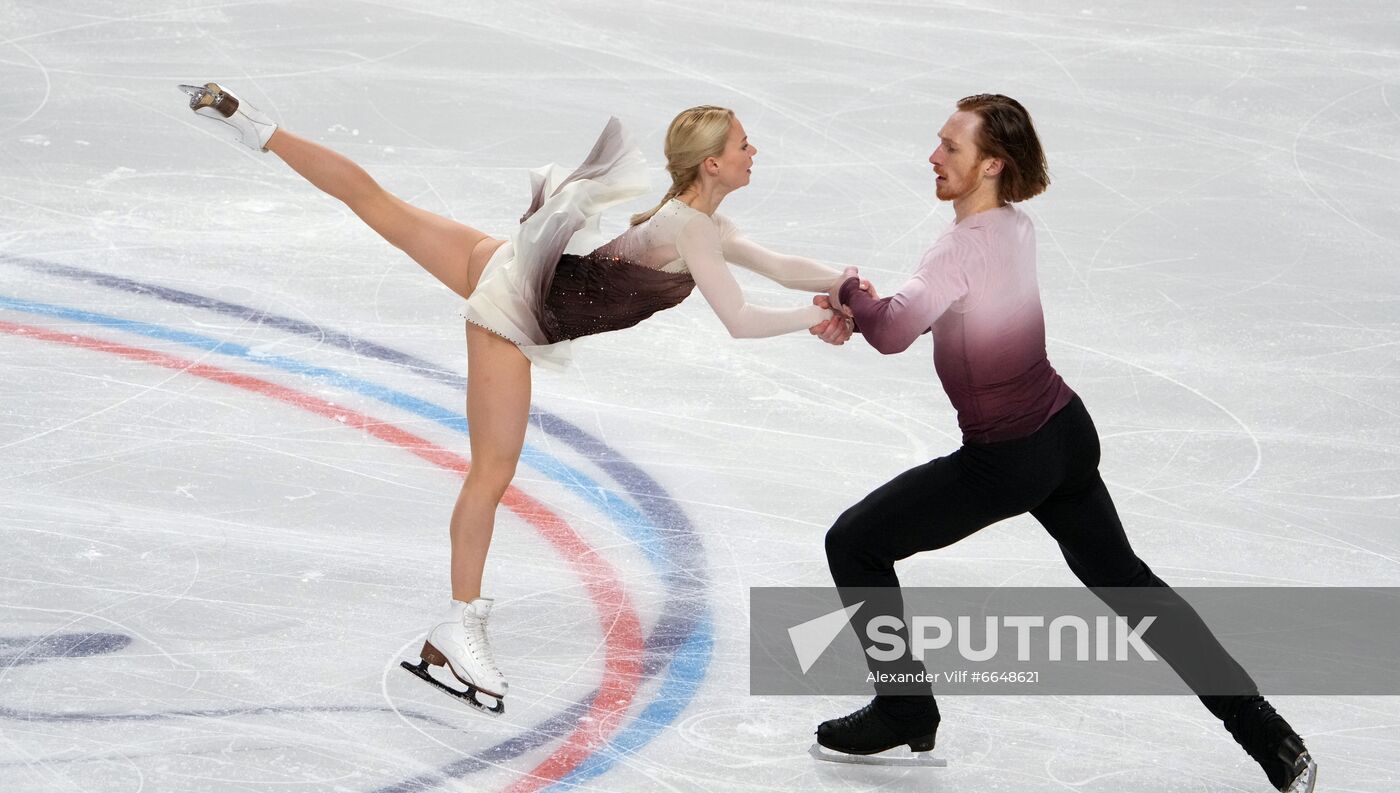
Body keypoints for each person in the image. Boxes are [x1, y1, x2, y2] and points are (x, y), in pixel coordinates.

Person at [178, 82, 857, 713]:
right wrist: (817, 315)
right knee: (491, 472)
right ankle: (458, 624)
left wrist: (853, 285)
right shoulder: (694, 231)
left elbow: (782, 266)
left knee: (378, 203)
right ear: (711, 164)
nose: (752, 152)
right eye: (742, 144)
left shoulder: (697, 222)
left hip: (510, 259)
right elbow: (738, 318)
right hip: (513, 307)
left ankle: (257, 126)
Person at [813, 94, 1317, 793]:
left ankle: (904, 704)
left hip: (1007, 459)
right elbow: (948, 311)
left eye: (951, 148)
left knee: (854, 543)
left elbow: (897, 331)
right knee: (1132, 586)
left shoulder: (959, 245)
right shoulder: (1013, 228)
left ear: (992, 163)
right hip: (1066, 437)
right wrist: (871, 310)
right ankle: (1272, 738)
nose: (933, 156)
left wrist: (851, 294)